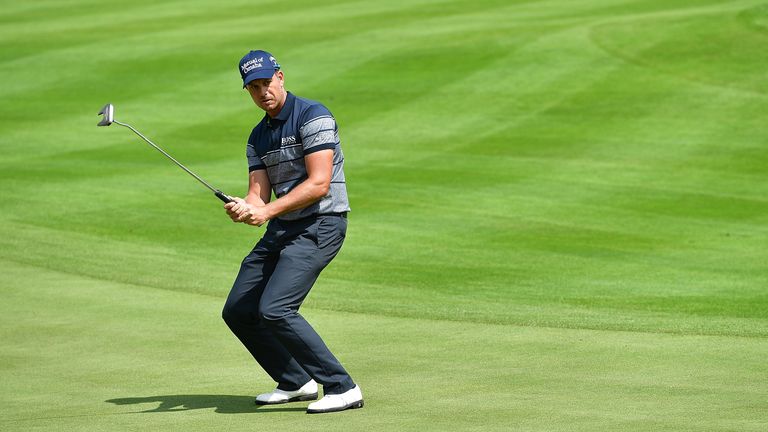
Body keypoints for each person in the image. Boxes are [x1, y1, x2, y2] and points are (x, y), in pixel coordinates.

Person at [221, 50, 363, 414]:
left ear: (281, 77)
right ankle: (295, 381)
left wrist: (266, 210)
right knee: (238, 309)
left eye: (266, 82)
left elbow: (319, 185)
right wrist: (246, 207)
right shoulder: (257, 137)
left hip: (322, 224)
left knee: (277, 308)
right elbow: (258, 193)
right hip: (284, 227)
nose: (262, 92)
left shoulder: (312, 116)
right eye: (253, 87)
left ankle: (342, 387)